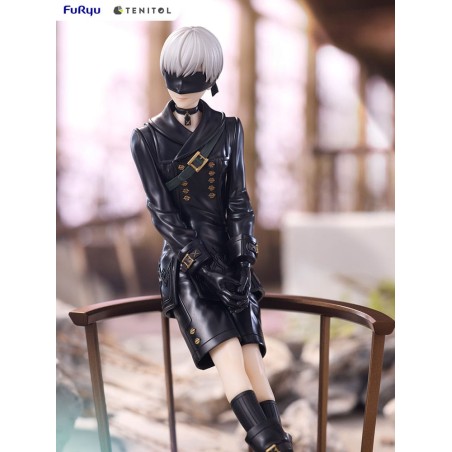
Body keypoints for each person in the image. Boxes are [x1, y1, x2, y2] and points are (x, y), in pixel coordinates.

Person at [130, 26, 293, 452]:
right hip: (188, 264)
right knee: (229, 356)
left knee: (253, 358)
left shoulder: (229, 128)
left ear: (211, 78)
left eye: (194, 78)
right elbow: (163, 214)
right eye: (175, 76)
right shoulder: (146, 138)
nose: (183, 88)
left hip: (232, 260)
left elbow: (238, 200)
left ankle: (275, 444)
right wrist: (206, 267)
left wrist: (242, 262)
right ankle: (274, 444)